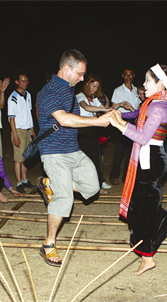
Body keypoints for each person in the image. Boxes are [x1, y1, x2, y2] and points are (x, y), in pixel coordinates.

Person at [109, 64, 167, 276]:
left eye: (147, 80)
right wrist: (116, 114)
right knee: (143, 206)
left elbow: (143, 137)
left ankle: (148, 257)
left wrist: (119, 125)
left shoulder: (157, 107)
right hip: (150, 159)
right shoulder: (154, 103)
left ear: (160, 83)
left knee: (142, 211)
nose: (143, 84)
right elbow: (136, 114)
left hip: (151, 161)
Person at [35, 49, 111, 267]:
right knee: (65, 198)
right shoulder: (49, 92)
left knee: (92, 187)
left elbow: (78, 115)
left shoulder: (69, 90)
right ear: (67, 68)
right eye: (79, 74)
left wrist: (107, 113)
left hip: (73, 150)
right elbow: (64, 119)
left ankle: (49, 184)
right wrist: (96, 123)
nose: (82, 79)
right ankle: (49, 244)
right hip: (54, 153)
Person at [76, 74, 113, 193]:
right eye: (93, 86)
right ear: (87, 84)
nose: (95, 89)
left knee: (96, 161)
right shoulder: (80, 96)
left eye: (97, 87)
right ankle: (81, 187)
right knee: (82, 162)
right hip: (82, 132)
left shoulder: (94, 98)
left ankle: (97, 187)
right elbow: (86, 108)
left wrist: (119, 105)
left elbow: (104, 107)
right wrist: (106, 110)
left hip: (93, 132)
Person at [109, 68, 142, 185]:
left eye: (131, 74)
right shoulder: (118, 90)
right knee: (119, 150)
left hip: (133, 121)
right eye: (126, 74)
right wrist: (121, 104)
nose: (128, 77)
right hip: (121, 121)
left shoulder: (136, 91)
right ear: (122, 75)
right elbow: (112, 107)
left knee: (130, 151)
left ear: (134, 75)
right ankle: (114, 176)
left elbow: (138, 107)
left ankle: (127, 177)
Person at [7, 71, 37, 194]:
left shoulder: (28, 95)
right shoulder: (13, 98)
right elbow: (11, 118)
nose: (25, 83)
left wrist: (33, 130)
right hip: (18, 130)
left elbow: (29, 114)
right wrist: (15, 135)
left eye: (26, 80)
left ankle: (25, 180)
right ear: (16, 82)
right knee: (18, 158)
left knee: (26, 157)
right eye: (22, 80)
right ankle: (19, 182)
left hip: (27, 129)